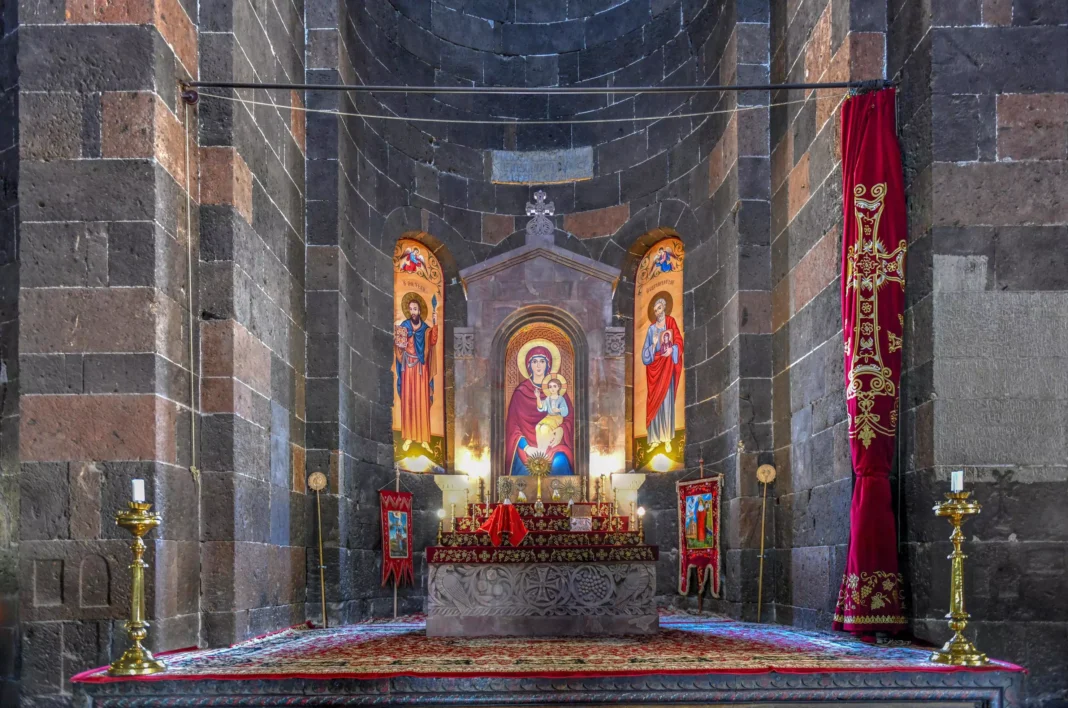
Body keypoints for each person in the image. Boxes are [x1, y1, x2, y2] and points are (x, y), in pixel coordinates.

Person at [505, 345, 574, 476]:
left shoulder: (559, 393)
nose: (538, 365)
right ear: (528, 365)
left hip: (553, 444)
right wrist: (527, 447)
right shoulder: (520, 392)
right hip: (527, 448)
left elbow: (569, 417)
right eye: (534, 361)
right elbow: (513, 427)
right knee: (523, 471)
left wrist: (561, 431)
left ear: (548, 364)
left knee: (560, 463)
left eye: (542, 361)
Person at [395, 295, 437, 453]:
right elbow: (398, 346)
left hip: (421, 369)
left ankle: (424, 438)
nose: (413, 312)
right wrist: (402, 336)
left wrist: (435, 322)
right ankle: (408, 437)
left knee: (422, 401)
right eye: (411, 309)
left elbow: (432, 341)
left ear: (420, 311)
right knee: (409, 401)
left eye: (415, 309)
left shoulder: (426, 328)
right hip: (407, 368)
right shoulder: (404, 326)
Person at [642, 296, 684, 453]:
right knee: (653, 401)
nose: (656, 311)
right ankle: (653, 439)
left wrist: (672, 350)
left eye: (658, 308)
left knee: (665, 401)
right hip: (654, 368)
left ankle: (666, 438)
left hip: (667, 367)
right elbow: (644, 356)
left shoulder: (671, 322)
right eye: (654, 309)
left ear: (664, 308)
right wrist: (653, 345)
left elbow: (679, 341)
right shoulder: (651, 329)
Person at [534, 375, 569, 451]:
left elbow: (565, 411)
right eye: (550, 387)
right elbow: (541, 408)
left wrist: (559, 410)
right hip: (549, 417)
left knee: (544, 428)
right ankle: (539, 449)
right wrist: (538, 397)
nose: (552, 389)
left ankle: (544, 450)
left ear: (558, 387)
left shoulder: (561, 399)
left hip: (557, 418)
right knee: (537, 427)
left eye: (554, 386)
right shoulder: (548, 398)